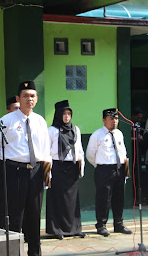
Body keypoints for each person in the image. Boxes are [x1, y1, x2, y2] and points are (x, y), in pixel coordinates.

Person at [0, 81, 51, 256]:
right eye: (25, 96)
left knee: (35, 216)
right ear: (18, 98)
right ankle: (14, 253)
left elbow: (45, 150)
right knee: (15, 217)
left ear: (36, 99)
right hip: (15, 172)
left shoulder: (40, 121)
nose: (29, 99)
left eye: (32, 96)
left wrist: (46, 175)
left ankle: (35, 253)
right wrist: (7, 157)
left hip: (36, 172)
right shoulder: (6, 120)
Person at [86, 108, 132, 237]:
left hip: (119, 168)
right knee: (103, 198)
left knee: (119, 197)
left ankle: (119, 223)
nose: (114, 121)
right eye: (111, 118)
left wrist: (124, 168)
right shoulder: (97, 135)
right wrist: (100, 165)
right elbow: (90, 154)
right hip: (104, 170)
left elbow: (123, 151)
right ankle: (101, 225)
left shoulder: (119, 134)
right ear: (104, 120)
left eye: (116, 118)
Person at [46, 100, 85, 240]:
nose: (67, 117)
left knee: (73, 200)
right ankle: (57, 229)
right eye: (64, 113)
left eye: (69, 113)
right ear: (58, 115)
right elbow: (46, 152)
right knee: (57, 199)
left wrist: (81, 167)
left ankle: (75, 228)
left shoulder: (75, 130)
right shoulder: (51, 131)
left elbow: (79, 149)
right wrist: (47, 172)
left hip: (72, 167)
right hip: (57, 167)